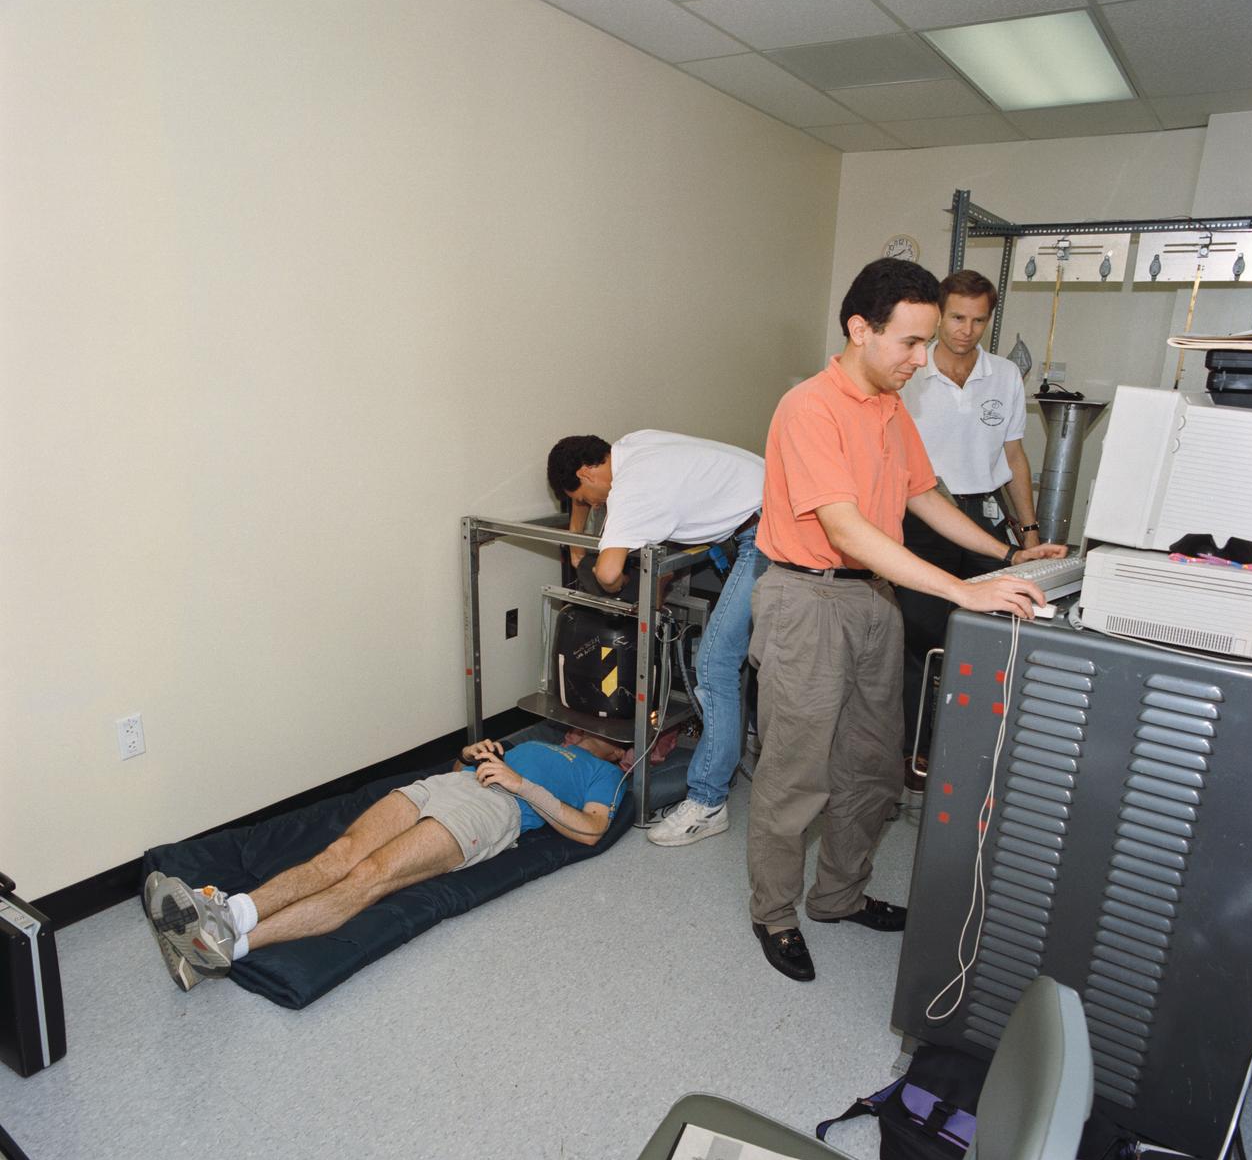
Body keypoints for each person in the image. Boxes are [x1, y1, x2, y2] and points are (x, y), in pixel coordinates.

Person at [747, 258, 1066, 983]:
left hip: (872, 601)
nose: (924, 360)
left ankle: (839, 896)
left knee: (871, 765)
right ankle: (774, 912)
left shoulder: (892, 407)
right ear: (861, 330)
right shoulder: (810, 408)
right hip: (809, 598)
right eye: (911, 343)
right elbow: (849, 530)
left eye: (929, 343)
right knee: (797, 773)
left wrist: (1010, 554)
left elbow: (924, 496)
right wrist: (964, 591)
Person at [145, 734, 627, 990]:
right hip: (452, 784)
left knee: (370, 876)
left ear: (620, 750)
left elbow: (592, 829)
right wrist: (469, 755)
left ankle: (232, 947)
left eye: (602, 729)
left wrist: (521, 785)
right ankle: (229, 914)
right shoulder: (538, 739)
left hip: (497, 808)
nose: (585, 728)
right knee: (340, 853)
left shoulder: (604, 773)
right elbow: (462, 767)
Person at [546, 430, 766, 848]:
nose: (594, 508)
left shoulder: (632, 491)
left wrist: (607, 573)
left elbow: (609, 574)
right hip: (771, 510)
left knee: (714, 665)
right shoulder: (636, 444)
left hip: (768, 536)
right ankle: (746, 739)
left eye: (586, 499)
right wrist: (577, 545)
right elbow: (596, 505)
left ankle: (708, 802)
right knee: (741, 652)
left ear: (586, 471)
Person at [897, 269, 1044, 768]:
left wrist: (1029, 534)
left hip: (982, 518)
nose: (966, 329)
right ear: (940, 314)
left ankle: (973, 753)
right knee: (921, 638)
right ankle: (915, 754)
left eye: (978, 320)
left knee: (990, 636)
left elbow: (1014, 456)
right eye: (957, 317)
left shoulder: (1003, 375)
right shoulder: (909, 372)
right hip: (920, 518)